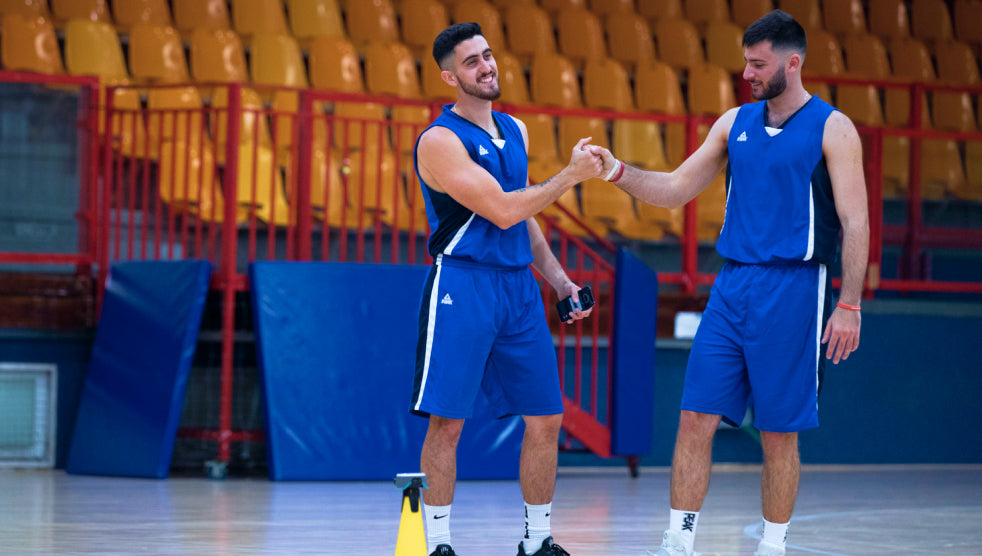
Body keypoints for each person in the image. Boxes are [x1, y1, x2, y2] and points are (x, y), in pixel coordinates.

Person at [592, 10, 869, 556]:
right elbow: (674, 189)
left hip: (795, 287)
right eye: (746, 61)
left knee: (777, 432)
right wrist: (616, 171)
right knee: (695, 416)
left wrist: (850, 304)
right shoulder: (733, 122)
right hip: (732, 285)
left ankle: (773, 546)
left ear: (793, 63)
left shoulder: (833, 128)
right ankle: (678, 541)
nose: (747, 72)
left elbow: (856, 222)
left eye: (758, 63)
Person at [410, 22, 603, 556]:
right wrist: (569, 176)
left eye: (488, 55)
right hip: (464, 283)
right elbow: (500, 208)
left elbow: (523, 217)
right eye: (471, 61)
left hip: (518, 289)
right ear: (450, 77)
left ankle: (538, 539)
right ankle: (437, 544)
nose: (486, 66)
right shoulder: (439, 141)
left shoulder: (514, 129)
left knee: (547, 416)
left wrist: (559, 280)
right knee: (448, 423)